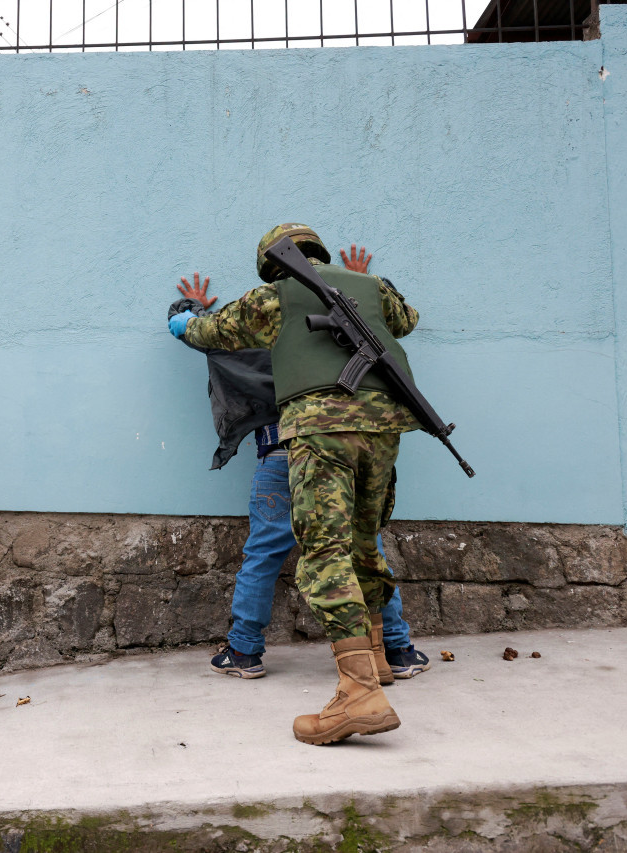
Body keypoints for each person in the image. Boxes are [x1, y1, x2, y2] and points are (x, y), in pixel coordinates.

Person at [170, 223, 421, 745]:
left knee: (322, 555)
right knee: (364, 544)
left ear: (273, 262)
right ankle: (384, 657)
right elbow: (408, 320)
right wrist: (362, 286)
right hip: (382, 430)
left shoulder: (274, 299)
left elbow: (206, 335)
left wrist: (183, 318)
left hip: (315, 438)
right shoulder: (370, 289)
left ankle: (358, 695)